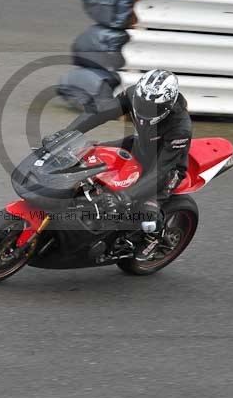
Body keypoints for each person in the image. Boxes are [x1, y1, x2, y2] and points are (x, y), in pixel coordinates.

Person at [49, 69, 192, 261]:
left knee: (145, 213)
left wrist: (124, 196)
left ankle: (154, 237)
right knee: (86, 155)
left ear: (167, 105)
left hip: (166, 168)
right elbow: (99, 113)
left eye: (153, 107)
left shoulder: (180, 128)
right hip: (139, 146)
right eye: (143, 103)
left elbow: (160, 171)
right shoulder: (134, 95)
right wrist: (66, 134)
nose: (146, 109)